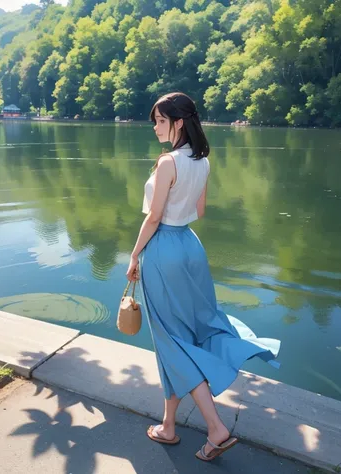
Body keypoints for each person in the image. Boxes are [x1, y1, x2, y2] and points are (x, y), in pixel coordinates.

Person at [126, 92, 280, 462]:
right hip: (191, 248)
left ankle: (216, 428)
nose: (156, 127)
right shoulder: (202, 160)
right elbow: (199, 209)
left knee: (170, 340)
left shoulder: (167, 163)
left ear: (179, 122)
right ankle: (168, 424)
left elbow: (154, 217)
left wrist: (134, 256)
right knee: (185, 334)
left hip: (163, 251)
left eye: (161, 120)